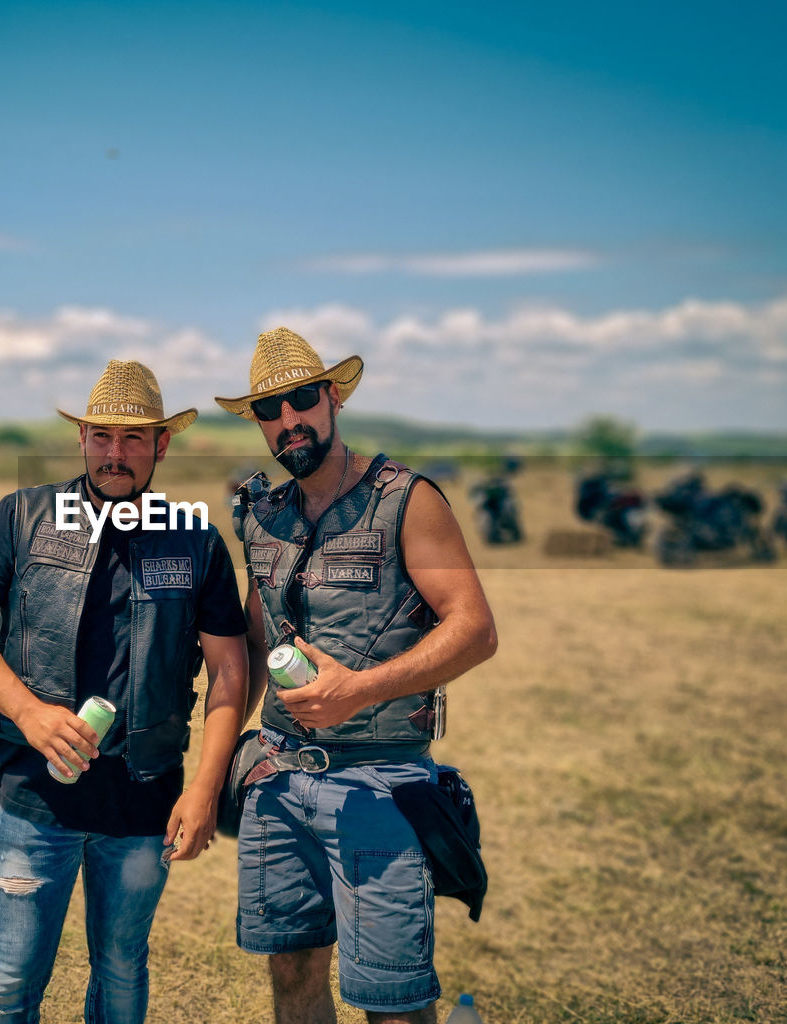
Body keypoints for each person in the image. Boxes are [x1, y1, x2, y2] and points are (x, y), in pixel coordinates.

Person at [0, 359, 248, 1024]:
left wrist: (204, 788)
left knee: (121, 973)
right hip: (35, 799)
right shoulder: (23, 516)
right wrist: (29, 713)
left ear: (162, 445)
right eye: (102, 436)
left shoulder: (195, 540)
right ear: (81, 439)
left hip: (143, 805)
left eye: (134, 438)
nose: (116, 453)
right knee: (12, 985)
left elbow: (229, 671)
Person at [214, 327, 498, 1024]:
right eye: (269, 410)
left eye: (302, 399)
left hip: (381, 783)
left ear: (333, 397)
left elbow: (475, 629)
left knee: (391, 1001)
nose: (288, 421)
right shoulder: (263, 515)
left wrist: (361, 689)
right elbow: (251, 647)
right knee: (293, 972)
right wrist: (208, 778)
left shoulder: (405, 497)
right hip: (277, 781)